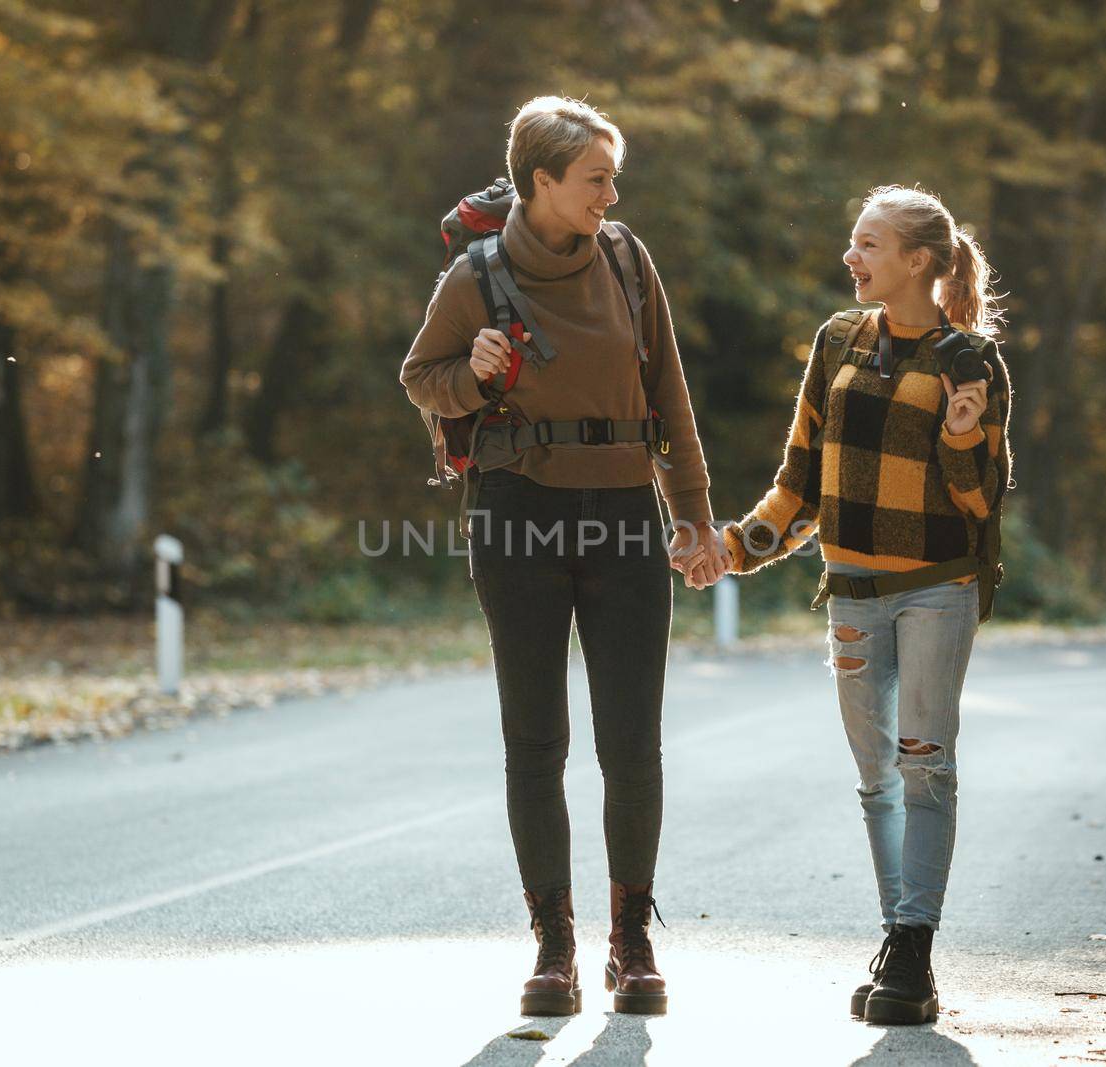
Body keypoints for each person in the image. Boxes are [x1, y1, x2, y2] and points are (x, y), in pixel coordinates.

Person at [400, 96, 724, 1017]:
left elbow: (669, 388)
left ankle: (632, 939)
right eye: (595, 179)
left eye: (611, 178)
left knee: (632, 743)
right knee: (535, 743)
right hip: (517, 513)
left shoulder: (626, 258)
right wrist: (478, 372)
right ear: (543, 181)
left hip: (624, 511)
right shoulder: (477, 274)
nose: (610, 195)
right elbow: (422, 376)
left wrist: (693, 515)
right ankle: (554, 945)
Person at [714, 184, 1012, 1025]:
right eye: (855, 242)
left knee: (925, 766)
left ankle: (912, 954)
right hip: (850, 591)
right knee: (876, 777)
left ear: (918, 259)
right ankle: (897, 936)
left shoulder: (970, 361)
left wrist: (959, 436)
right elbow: (800, 483)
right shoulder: (837, 340)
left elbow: (983, 504)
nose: (852, 256)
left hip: (936, 591)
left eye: (869, 243)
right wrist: (737, 548)